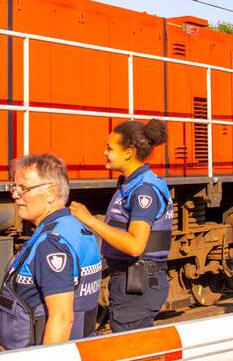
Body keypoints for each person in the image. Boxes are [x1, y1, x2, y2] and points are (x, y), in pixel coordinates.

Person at [70, 119, 172, 332]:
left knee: (133, 347)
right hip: (131, 281)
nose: (104, 153)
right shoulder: (132, 185)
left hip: (135, 284)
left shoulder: (143, 190)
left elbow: (135, 246)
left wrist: (90, 220)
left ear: (128, 153)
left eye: (110, 148)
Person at [0, 153, 101, 349]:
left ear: (51, 193)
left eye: (24, 188)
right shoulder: (75, 227)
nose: (15, 194)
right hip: (78, 347)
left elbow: (62, 318)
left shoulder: (51, 244)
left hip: (37, 355)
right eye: (14, 187)